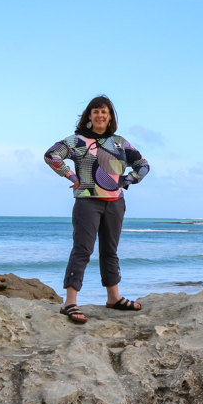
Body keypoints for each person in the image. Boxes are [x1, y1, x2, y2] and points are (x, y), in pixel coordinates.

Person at [44, 95, 150, 324]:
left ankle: (114, 298)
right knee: (82, 249)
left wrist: (125, 181)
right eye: (96, 111)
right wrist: (71, 176)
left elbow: (143, 165)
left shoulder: (120, 143)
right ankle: (69, 302)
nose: (100, 115)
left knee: (110, 251)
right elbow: (51, 155)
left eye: (104, 111)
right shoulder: (77, 141)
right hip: (87, 202)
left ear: (110, 116)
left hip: (115, 202)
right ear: (89, 116)